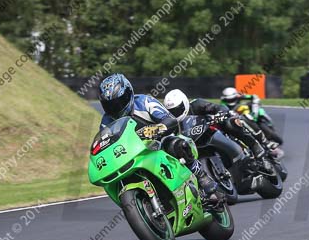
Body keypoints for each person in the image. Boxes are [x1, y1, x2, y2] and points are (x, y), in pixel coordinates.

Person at [98, 74, 222, 205]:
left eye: (119, 102)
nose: (115, 108)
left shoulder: (145, 102)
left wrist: (157, 128)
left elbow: (170, 119)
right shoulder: (106, 122)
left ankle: (203, 178)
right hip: (136, 152)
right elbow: (106, 143)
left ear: (129, 94)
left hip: (162, 140)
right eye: (109, 105)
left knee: (176, 144)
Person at [163, 89, 270, 163]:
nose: (176, 112)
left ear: (185, 103)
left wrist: (220, 113)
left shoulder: (196, 104)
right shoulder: (172, 122)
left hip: (213, 129)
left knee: (231, 122)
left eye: (178, 108)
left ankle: (254, 145)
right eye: (172, 111)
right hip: (196, 144)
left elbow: (217, 107)